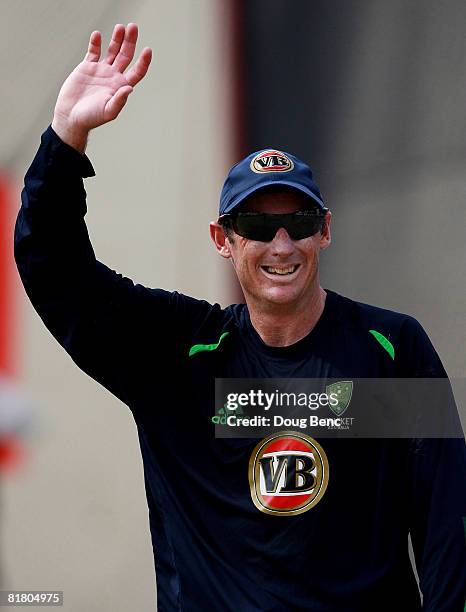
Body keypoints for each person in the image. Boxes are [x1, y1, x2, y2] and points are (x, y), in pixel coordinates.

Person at [14, 23, 465, 612]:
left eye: (298, 223)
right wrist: (66, 139)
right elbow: (54, 269)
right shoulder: (179, 358)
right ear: (222, 240)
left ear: (324, 231)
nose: (281, 246)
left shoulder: (390, 351)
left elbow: (446, 522)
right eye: (255, 226)